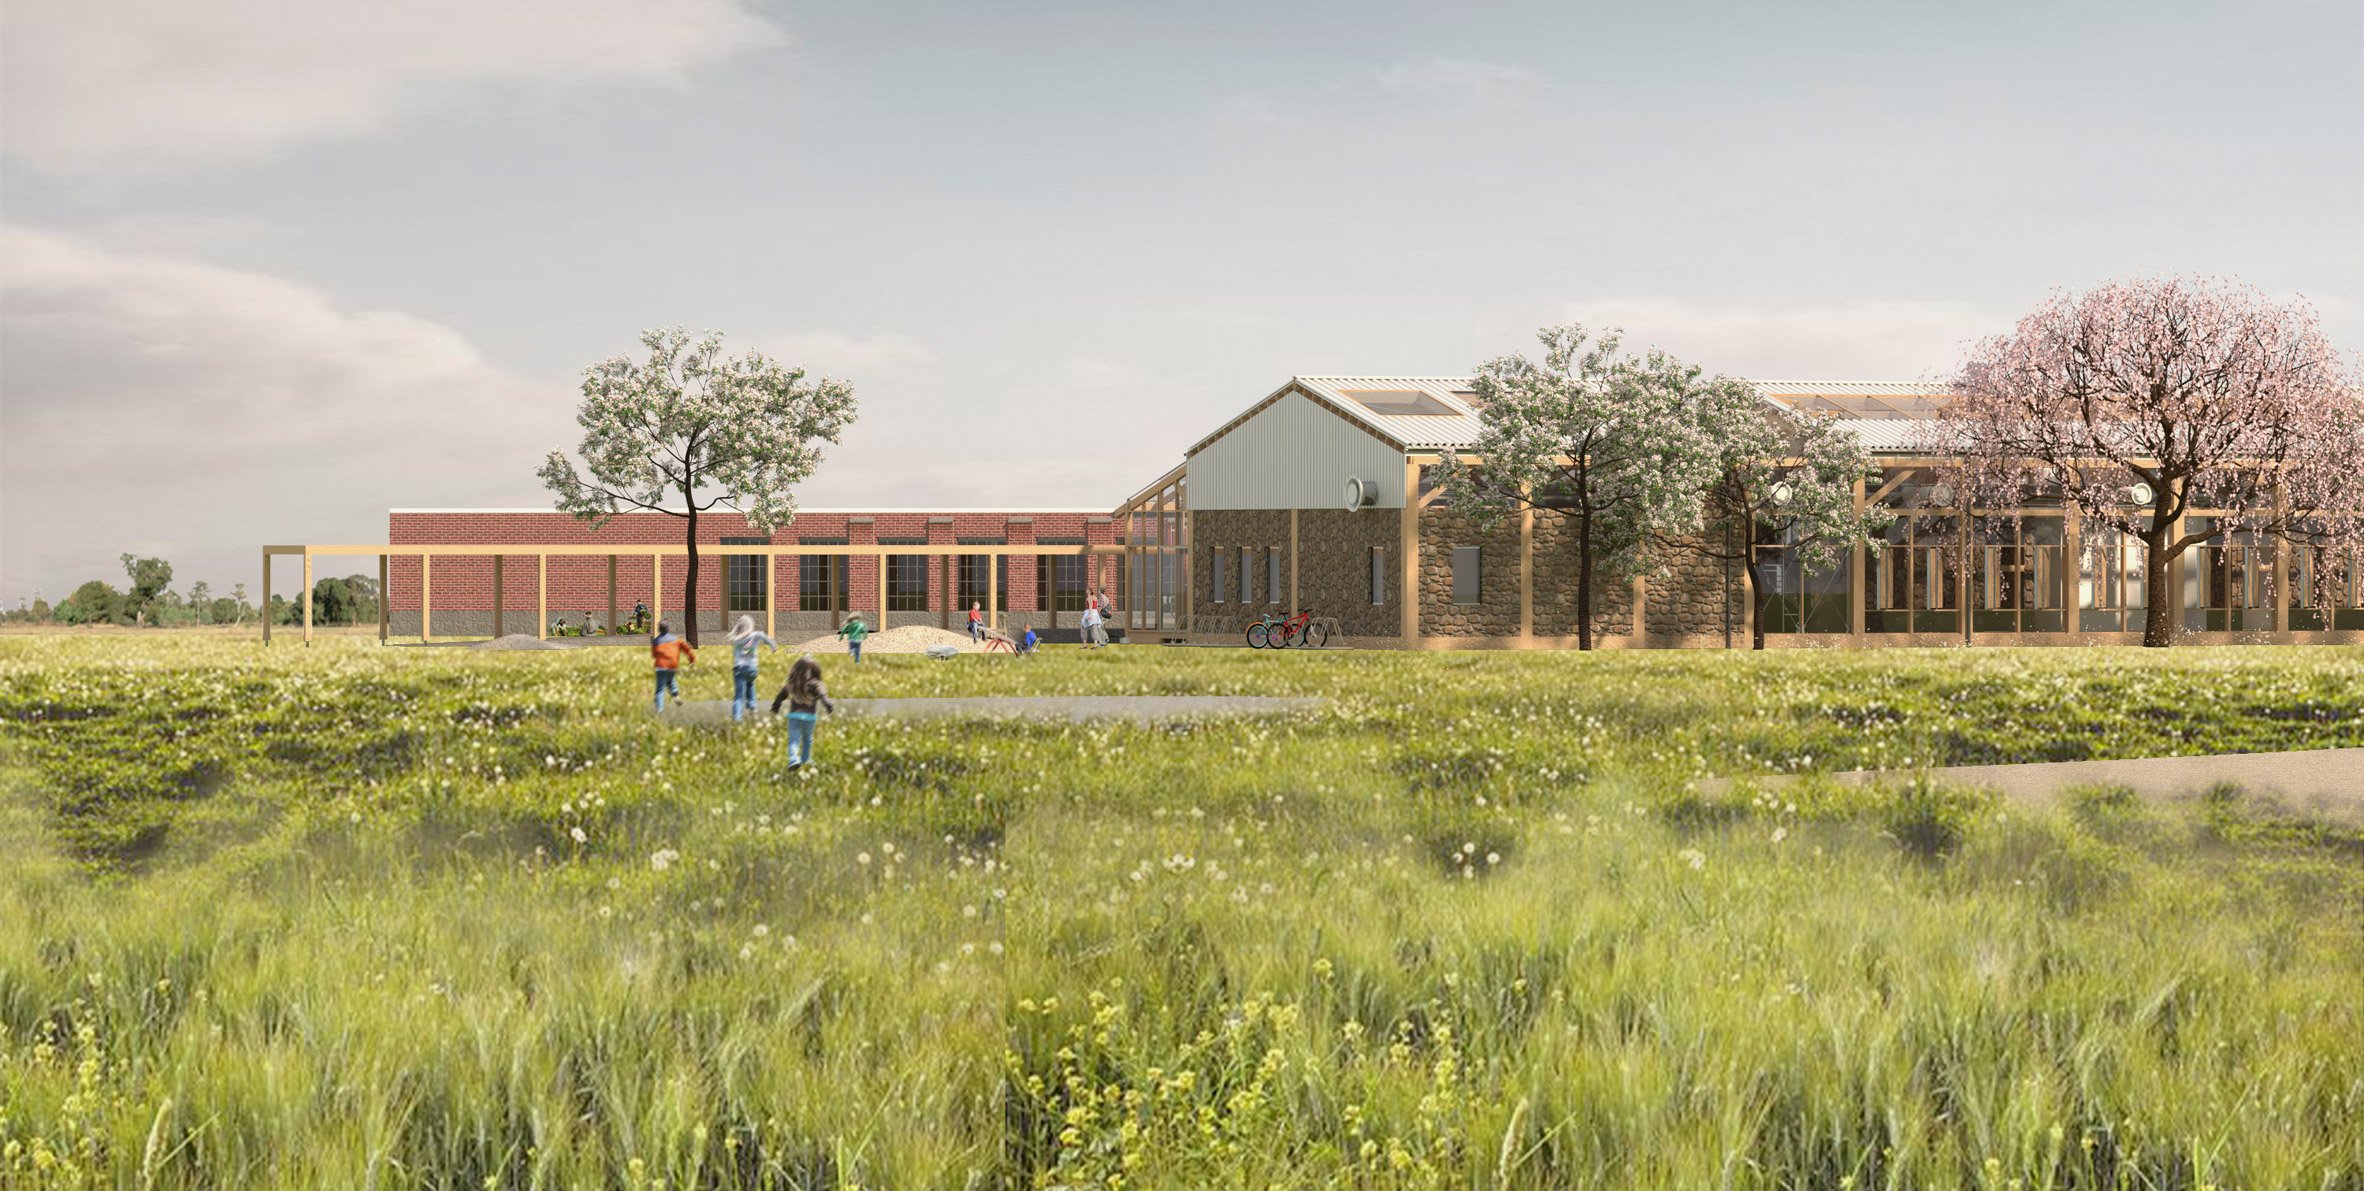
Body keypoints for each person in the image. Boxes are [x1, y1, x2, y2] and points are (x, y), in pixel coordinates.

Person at [769, 654, 836, 769]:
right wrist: (827, 705)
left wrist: (776, 707)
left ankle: (794, 759)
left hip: (794, 717)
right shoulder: (816, 684)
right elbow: (823, 695)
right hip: (809, 718)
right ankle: (806, 759)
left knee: (793, 741)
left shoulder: (792, 684)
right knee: (807, 740)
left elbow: (780, 696)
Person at [726, 614, 778, 722]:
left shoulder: (736, 639)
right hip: (752, 668)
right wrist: (773, 646)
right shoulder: (756, 635)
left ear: (739, 627)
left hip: (739, 669)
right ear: (751, 626)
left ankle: (737, 717)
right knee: (750, 685)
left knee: (739, 695)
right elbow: (766, 637)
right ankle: (752, 706)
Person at [650, 620, 695, 711]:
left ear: (659, 629)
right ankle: (675, 695)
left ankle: (660, 710)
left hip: (661, 667)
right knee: (670, 679)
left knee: (660, 689)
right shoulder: (677, 640)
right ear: (669, 629)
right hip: (672, 666)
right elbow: (687, 649)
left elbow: (654, 655)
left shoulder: (656, 641)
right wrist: (692, 659)